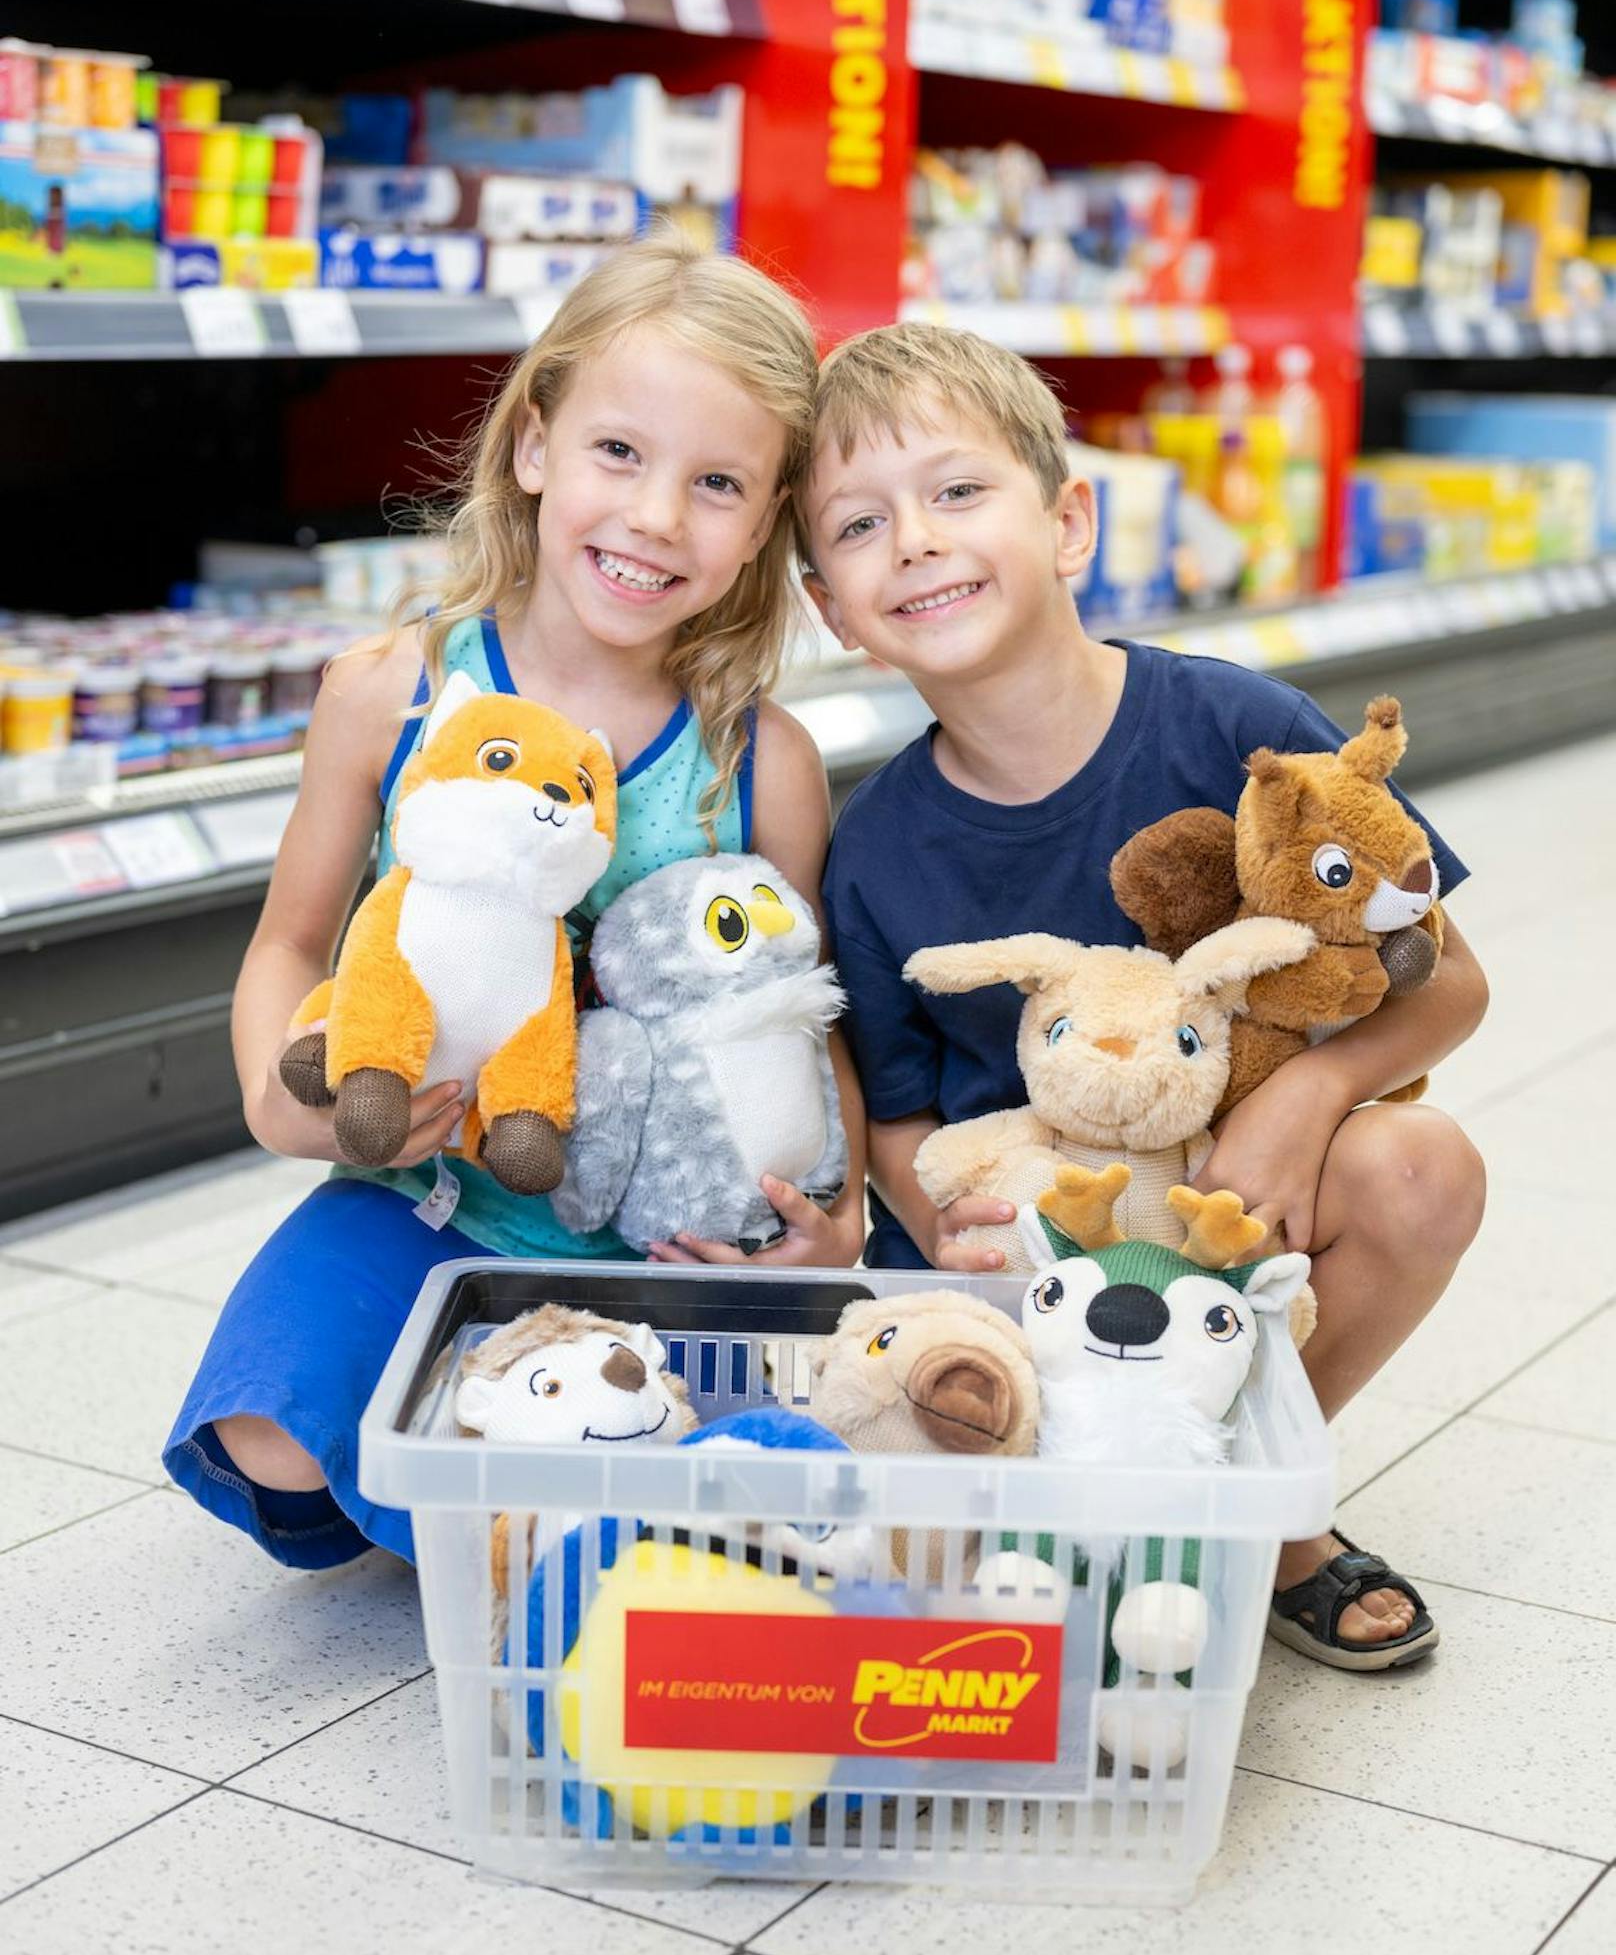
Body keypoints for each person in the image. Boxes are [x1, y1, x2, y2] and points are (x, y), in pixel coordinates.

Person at [163, 232, 864, 1570]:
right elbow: (292, 943)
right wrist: (274, 1093)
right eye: (619, 452)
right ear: (533, 442)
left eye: (717, 482)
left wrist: (837, 1219)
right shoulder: (393, 691)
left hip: (672, 1237)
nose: (657, 515)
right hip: (421, 1194)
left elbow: (801, 1011)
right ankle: (552, 1499)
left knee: (785, 1472)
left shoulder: (759, 760)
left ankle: (531, 1487)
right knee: (276, 1445)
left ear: (768, 520)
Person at [798, 321, 1488, 1671]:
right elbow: (895, 1117)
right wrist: (955, 1228)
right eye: (861, 525)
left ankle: (1251, 1506)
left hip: (1226, 1206)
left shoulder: (1239, 732)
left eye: (955, 491)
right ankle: (1076, 1518)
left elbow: (1451, 981)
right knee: (919, 1550)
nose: (918, 541)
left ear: (1067, 521)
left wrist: (1309, 1090)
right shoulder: (871, 849)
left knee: (1423, 1167)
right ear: (829, 605)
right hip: (1032, 1252)